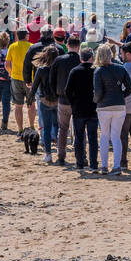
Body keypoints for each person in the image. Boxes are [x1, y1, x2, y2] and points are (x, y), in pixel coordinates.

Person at [93, 44, 131, 175]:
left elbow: (98, 92)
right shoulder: (121, 69)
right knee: (116, 137)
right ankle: (116, 166)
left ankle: (104, 166)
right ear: (111, 54)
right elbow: (130, 87)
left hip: (104, 107)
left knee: (104, 136)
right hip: (119, 106)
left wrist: (96, 101)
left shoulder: (98, 71)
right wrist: (121, 96)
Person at [66, 47, 99, 171]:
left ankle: (80, 163)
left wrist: (73, 103)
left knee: (79, 138)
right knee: (93, 138)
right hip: (93, 108)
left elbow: (67, 90)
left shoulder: (75, 71)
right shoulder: (96, 70)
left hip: (78, 109)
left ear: (80, 58)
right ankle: (94, 164)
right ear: (92, 58)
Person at [51, 33, 82, 166]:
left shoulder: (59, 60)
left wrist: (56, 94)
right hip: (78, 100)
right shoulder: (82, 60)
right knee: (79, 130)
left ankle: (61, 155)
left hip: (63, 99)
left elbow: (52, 80)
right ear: (79, 47)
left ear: (67, 45)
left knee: (63, 129)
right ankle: (81, 156)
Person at [29, 45, 60, 164]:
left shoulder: (41, 70)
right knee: (58, 126)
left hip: (45, 101)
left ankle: (48, 154)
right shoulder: (59, 68)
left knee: (46, 128)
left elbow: (35, 86)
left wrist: (30, 99)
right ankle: (59, 149)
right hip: (57, 101)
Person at [5, 29, 33, 132]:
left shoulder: (12, 46)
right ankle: (31, 126)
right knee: (31, 104)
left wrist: (10, 73)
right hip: (29, 79)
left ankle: (20, 129)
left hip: (16, 78)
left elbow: (7, 64)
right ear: (26, 36)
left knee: (18, 106)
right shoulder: (31, 46)